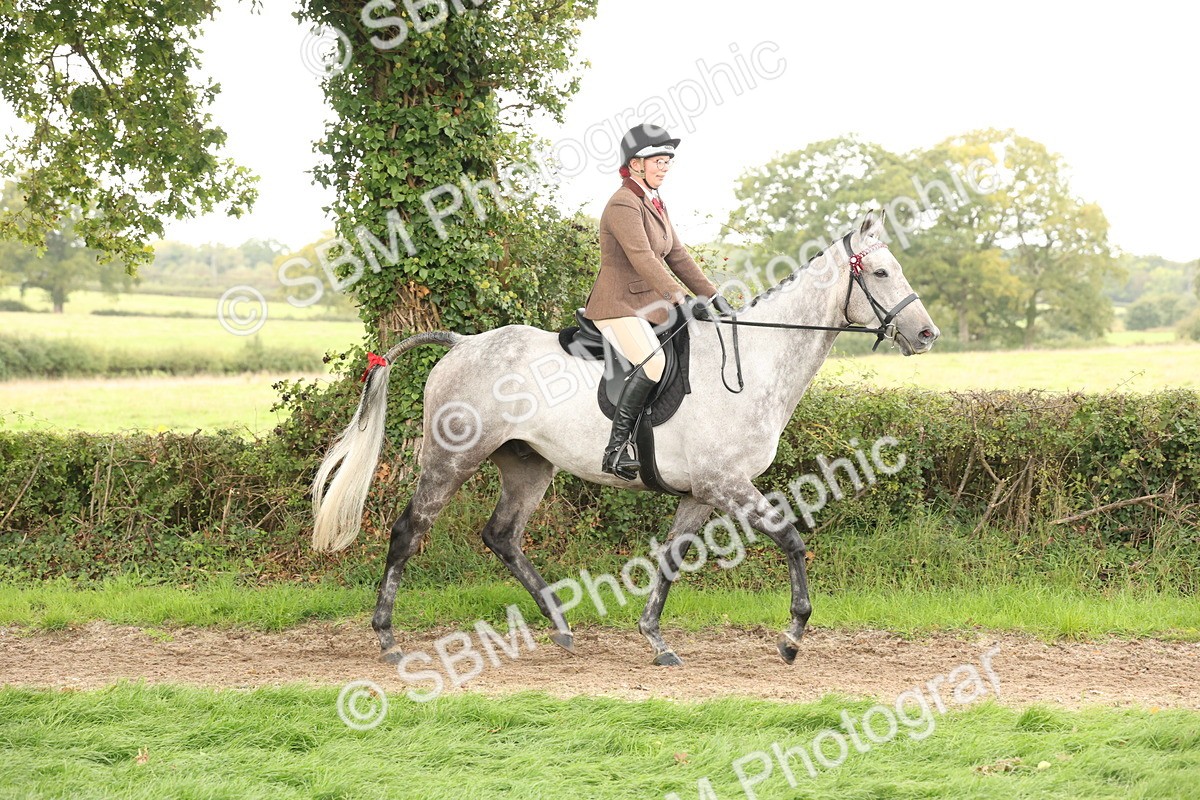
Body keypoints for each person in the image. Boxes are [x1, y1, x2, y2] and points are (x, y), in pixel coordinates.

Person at [583, 123, 735, 480]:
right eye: (658, 160)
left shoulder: (654, 202)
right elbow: (643, 258)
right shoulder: (623, 203)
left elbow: (677, 255)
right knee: (653, 363)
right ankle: (616, 447)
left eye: (668, 161)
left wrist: (712, 295)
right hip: (617, 303)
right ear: (635, 163)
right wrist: (680, 297)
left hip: (648, 304)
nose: (665, 167)